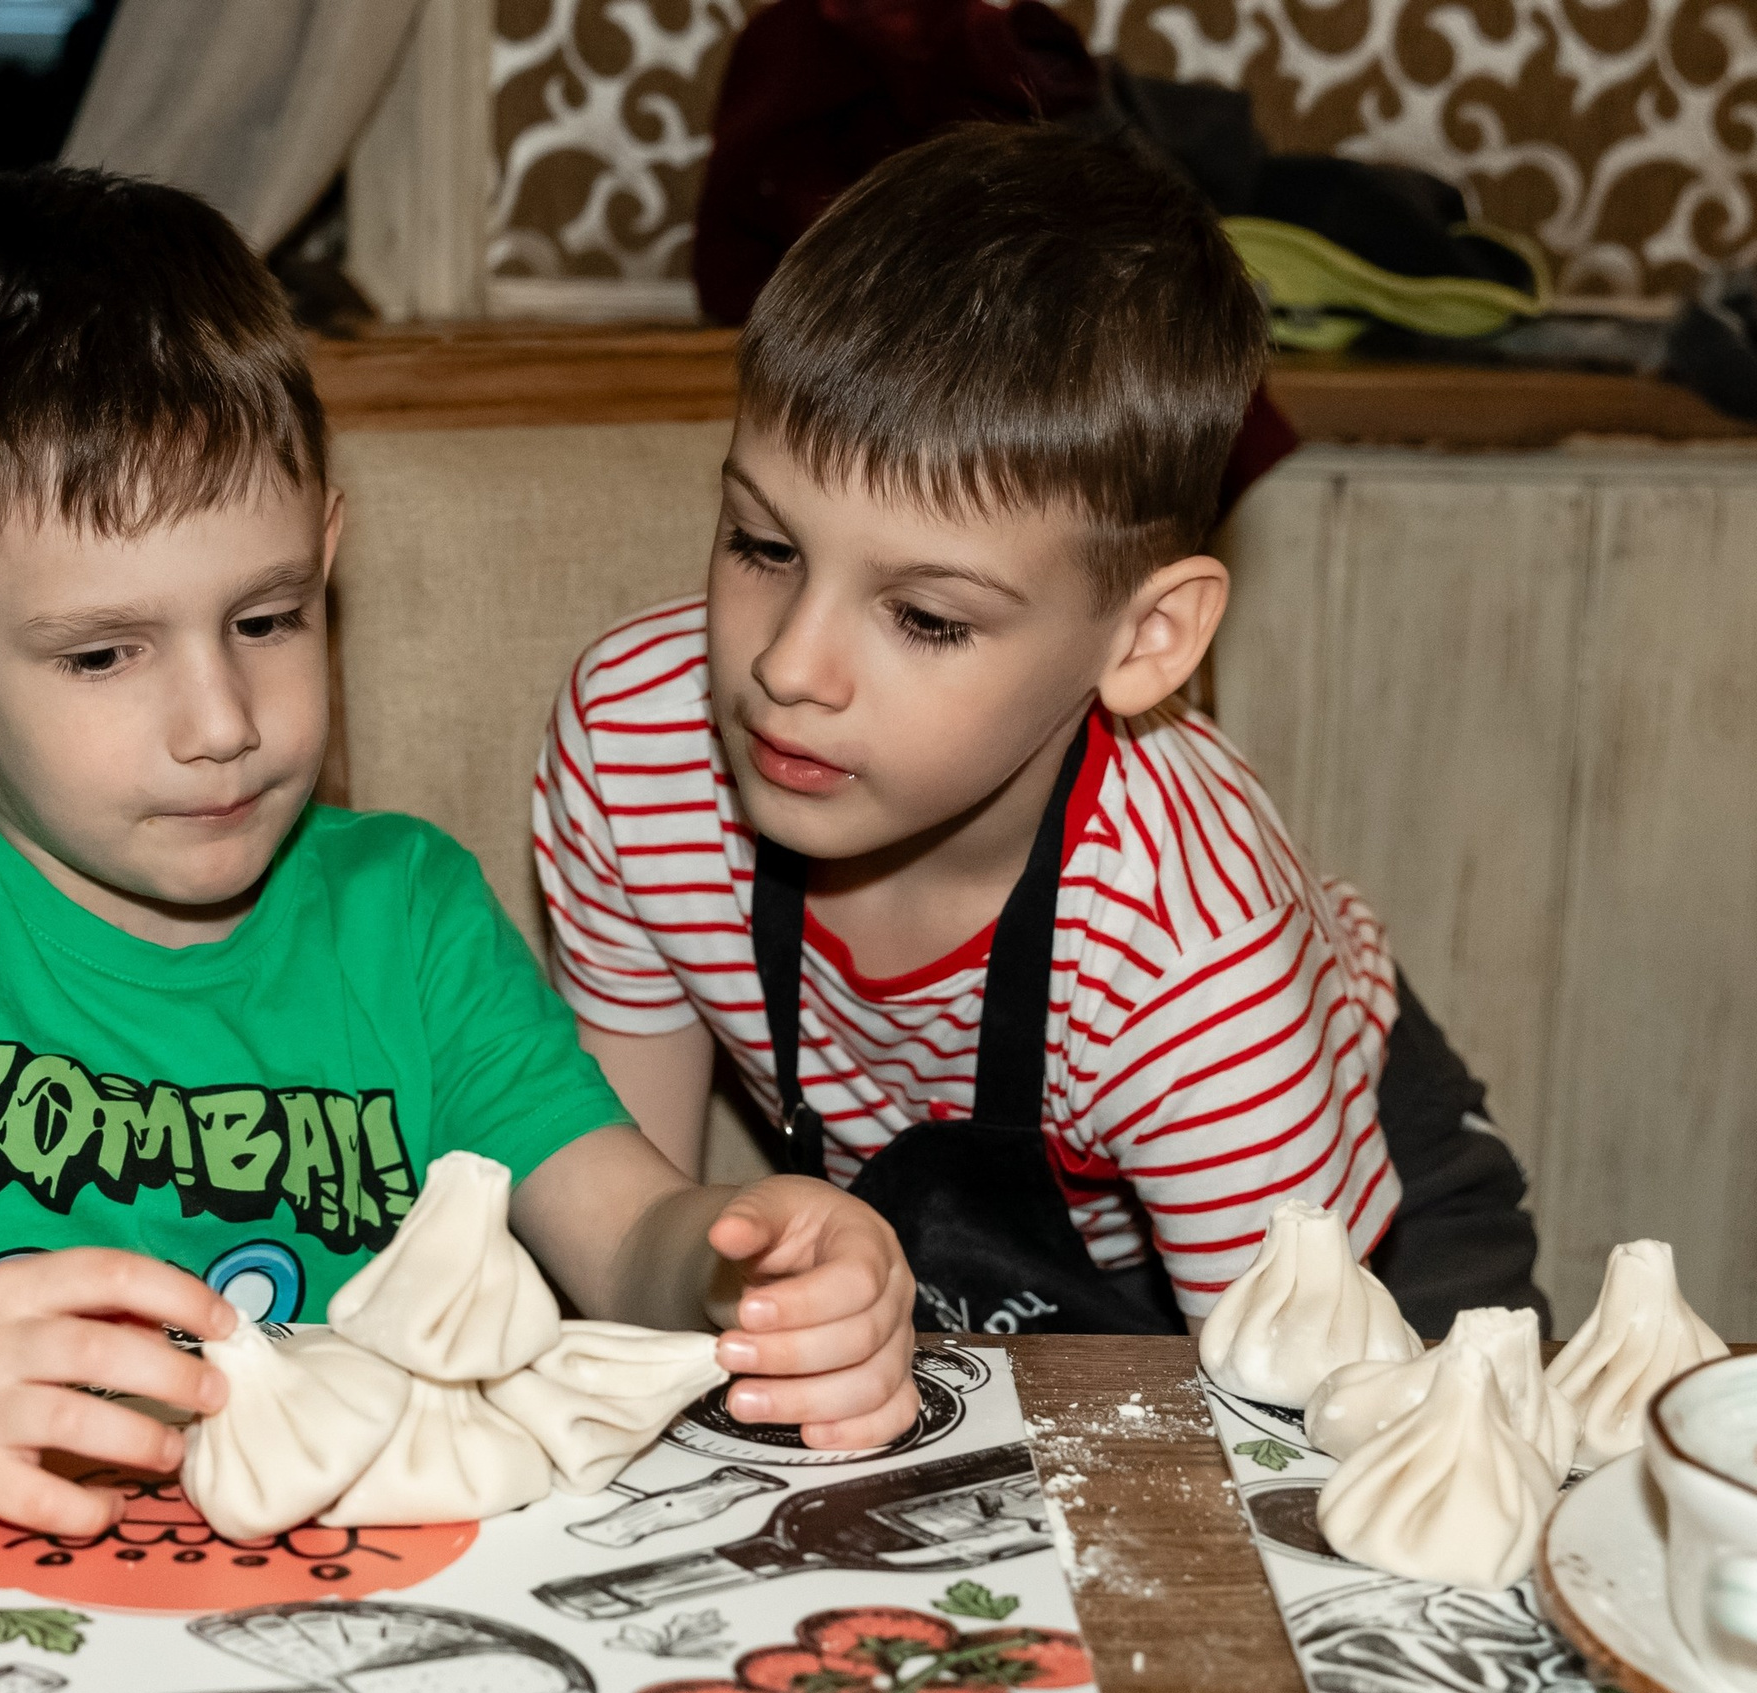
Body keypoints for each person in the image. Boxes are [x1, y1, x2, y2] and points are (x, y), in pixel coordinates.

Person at [0, 165, 919, 1536]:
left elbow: (627, 1236)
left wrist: (758, 1268)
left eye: (267, 619)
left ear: (325, 558)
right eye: (102, 652)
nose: (221, 723)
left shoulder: (413, 919)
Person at [536, 124, 1546, 1340]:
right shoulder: (629, 749)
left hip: (1340, 1231)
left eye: (923, 615)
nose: (784, 667)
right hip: (976, 1271)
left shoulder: (1195, 967)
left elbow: (1287, 1426)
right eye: (763, 545)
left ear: (1143, 641)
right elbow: (636, 1250)